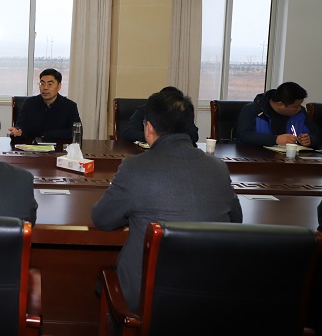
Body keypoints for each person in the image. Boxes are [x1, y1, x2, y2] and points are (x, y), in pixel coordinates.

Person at [91, 90, 242, 312]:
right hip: (208, 293)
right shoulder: (218, 167)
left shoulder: (134, 167)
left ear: (149, 128)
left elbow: (102, 219)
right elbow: (236, 220)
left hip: (147, 298)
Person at [237, 81, 320, 148]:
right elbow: (243, 136)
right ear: (281, 105)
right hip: (258, 157)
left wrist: (310, 140)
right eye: (295, 106)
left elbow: (317, 137)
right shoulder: (252, 110)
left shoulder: (300, 113)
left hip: (293, 159)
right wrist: (275, 140)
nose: (299, 109)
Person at [8, 68, 81, 142]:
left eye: (50, 84)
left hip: (59, 147)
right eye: (42, 84)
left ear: (59, 86)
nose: (45, 88)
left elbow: (75, 131)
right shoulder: (29, 103)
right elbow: (21, 126)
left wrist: (45, 134)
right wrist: (18, 132)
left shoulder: (70, 106)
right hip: (32, 147)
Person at [120, 86, 199, 144]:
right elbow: (128, 133)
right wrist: (154, 136)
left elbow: (194, 135)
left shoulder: (182, 112)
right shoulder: (145, 109)